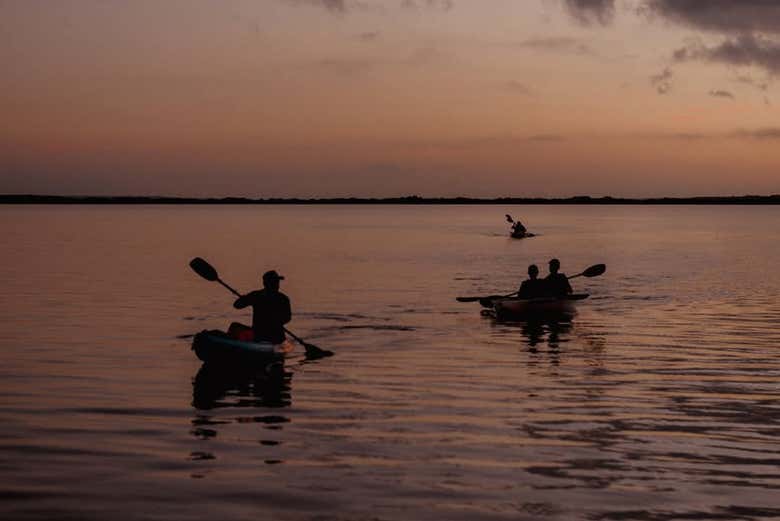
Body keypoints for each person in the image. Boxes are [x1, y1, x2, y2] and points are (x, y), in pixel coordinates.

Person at [233, 270, 291, 344]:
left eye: (277, 282)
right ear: (265, 284)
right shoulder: (256, 295)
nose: (277, 285)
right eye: (274, 282)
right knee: (234, 325)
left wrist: (275, 321)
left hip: (275, 336)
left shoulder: (283, 299)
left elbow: (287, 318)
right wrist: (244, 299)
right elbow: (237, 305)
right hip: (258, 334)